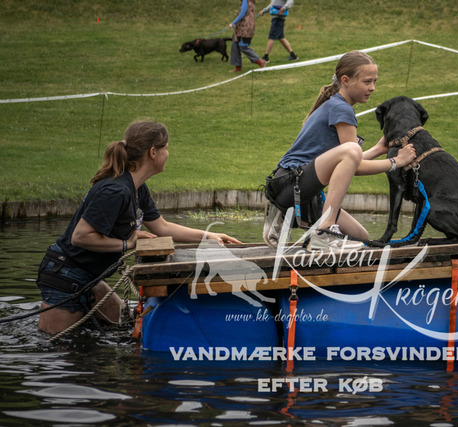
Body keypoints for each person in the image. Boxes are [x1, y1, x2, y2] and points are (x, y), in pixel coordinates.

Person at [36, 120, 241, 335]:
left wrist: (209, 236)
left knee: (127, 326)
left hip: (90, 278)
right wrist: (128, 243)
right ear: (153, 152)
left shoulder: (137, 188)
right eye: (166, 148)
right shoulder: (115, 191)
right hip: (65, 277)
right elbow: (80, 236)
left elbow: (162, 227)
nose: (168, 154)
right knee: (58, 347)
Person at [265, 51, 416, 251]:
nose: (372, 87)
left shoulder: (335, 105)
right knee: (352, 150)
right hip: (290, 187)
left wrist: (379, 149)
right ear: (345, 80)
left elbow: (350, 163)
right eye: (367, 81)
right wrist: (396, 162)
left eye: (374, 81)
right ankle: (323, 232)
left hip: (302, 193)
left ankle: (313, 233)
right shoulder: (341, 109)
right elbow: (355, 164)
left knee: (361, 237)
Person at [228, 0, 266, 72]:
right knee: (235, 44)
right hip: (240, 27)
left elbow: (242, 14)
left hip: (245, 28)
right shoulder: (249, 1)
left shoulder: (246, 1)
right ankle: (238, 66)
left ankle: (260, 62)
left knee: (243, 47)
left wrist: (233, 23)